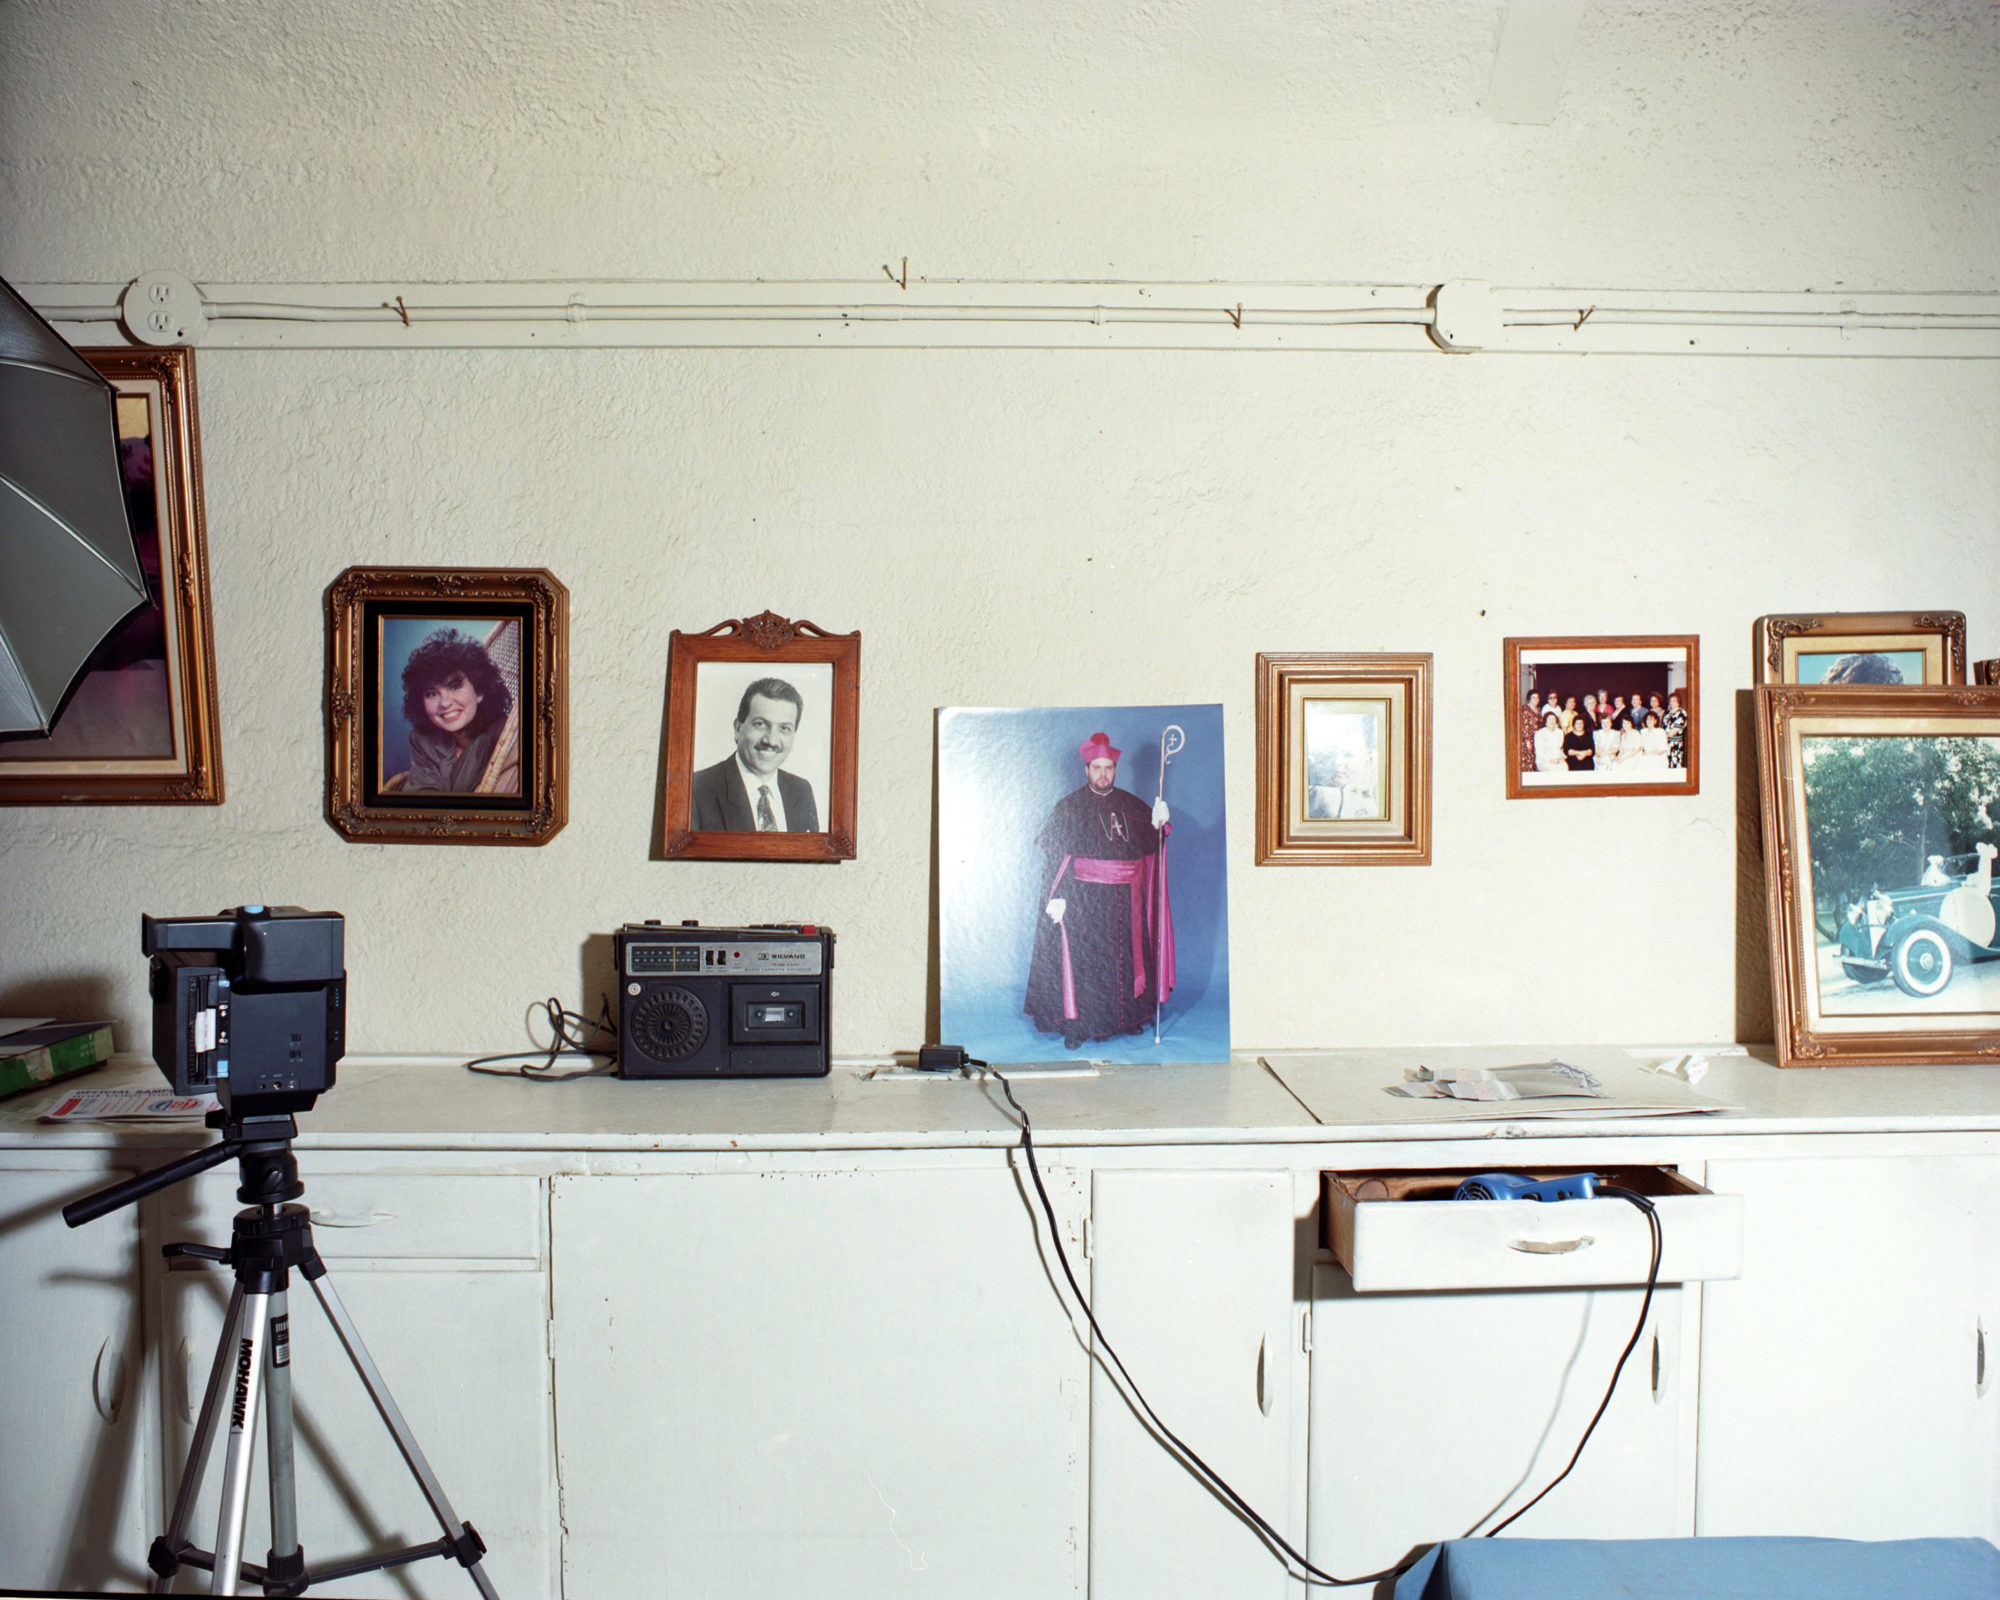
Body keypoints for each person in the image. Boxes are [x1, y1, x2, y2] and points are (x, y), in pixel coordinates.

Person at [1024, 732, 1173, 1050]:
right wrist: (1057, 897)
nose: (1103, 774)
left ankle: (1128, 1019)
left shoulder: (1131, 805)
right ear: (1086, 769)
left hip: (1125, 900)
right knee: (1088, 964)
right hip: (1084, 901)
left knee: (1128, 961)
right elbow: (1056, 858)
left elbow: (1152, 843)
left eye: (1109, 768)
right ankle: (1079, 1027)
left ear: (1115, 769)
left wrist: (1161, 825)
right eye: (1097, 768)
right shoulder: (1068, 807)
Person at [690, 677, 820, 831]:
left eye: (784, 728)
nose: (771, 740)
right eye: (760, 724)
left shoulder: (801, 791)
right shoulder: (696, 789)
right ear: (738, 728)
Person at [399, 628, 517, 794]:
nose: (445, 703)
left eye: (454, 687)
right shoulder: (422, 740)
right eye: (432, 693)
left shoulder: (506, 738)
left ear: (479, 691)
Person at [1562, 705, 1595, 770]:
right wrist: (1579, 753)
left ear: (1584, 724)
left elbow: (1592, 750)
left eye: (1581, 723)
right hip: (1573, 760)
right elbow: (1567, 750)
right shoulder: (1568, 736)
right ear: (1573, 725)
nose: (1579, 725)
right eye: (1577, 723)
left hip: (1587, 760)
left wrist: (1585, 754)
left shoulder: (1589, 735)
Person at [1662, 691, 1688, 769]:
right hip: (1665, 743)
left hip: (1675, 744)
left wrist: (1663, 735)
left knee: (1675, 766)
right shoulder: (1667, 714)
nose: (1671, 702)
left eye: (1674, 701)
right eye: (1670, 701)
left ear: (1678, 702)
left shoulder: (1682, 713)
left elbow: (1674, 732)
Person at [1520, 692, 1543, 773]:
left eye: (1537, 697)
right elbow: (1524, 726)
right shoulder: (1525, 710)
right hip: (1528, 739)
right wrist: (1528, 741)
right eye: (1534, 697)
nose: (1536, 699)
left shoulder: (1539, 710)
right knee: (1528, 761)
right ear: (1529, 698)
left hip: (1537, 739)